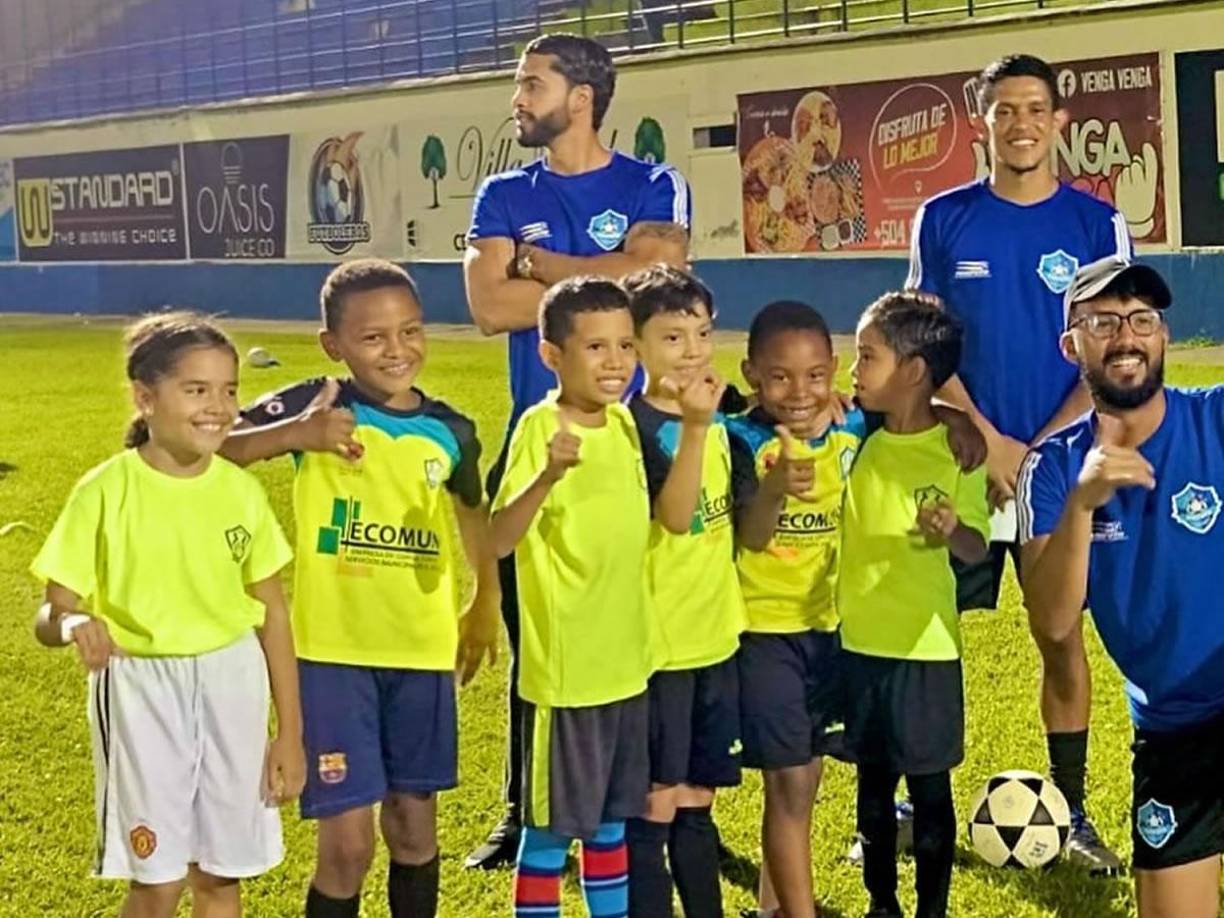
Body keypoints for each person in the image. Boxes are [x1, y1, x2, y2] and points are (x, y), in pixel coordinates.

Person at [464, 31, 693, 869]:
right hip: (543, 442)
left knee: (652, 627)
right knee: (542, 643)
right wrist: (603, 279)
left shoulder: (652, 180)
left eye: (531, 84)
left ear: (582, 97)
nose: (516, 99)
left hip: (634, 444)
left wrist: (541, 266)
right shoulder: (499, 190)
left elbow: (653, 278)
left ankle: (654, 800)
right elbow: (490, 306)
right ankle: (524, 808)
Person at [903, 52, 1132, 872]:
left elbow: (1110, 349)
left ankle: (1070, 816)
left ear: (1059, 121)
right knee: (928, 639)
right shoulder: (944, 218)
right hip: (964, 456)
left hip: (1054, 464)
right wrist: (988, 439)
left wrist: (1036, 451)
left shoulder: (1095, 224)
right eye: (1006, 111)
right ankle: (912, 805)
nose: (1022, 124)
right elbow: (922, 340)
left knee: (1059, 633)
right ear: (983, 122)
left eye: (1036, 109)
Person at [221, 259, 500, 918]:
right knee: (346, 847)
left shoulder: (451, 430)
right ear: (334, 346)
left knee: (412, 827)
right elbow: (213, 445)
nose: (397, 350)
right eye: (374, 338)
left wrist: (485, 600)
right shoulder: (319, 402)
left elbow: (472, 514)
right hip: (333, 657)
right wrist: (298, 436)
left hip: (420, 654)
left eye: (410, 331)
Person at [31, 312, 304, 918]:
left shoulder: (240, 491)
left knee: (221, 876)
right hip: (140, 689)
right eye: (197, 389)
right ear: (145, 398)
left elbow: (273, 616)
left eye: (229, 389)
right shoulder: (105, 492)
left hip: (233, 682)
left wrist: (290, 733)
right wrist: (74, 624)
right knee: (156, 882)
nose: (219, 407)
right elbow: (50, 613)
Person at [1019, 257, 1224, 918]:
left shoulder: (1215, 420)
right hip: (1172, 731)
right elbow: (1052, 622)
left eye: (1142, 319)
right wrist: (1084, 503)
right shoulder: (1051, 469)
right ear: (1070, 343)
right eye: (1103, 322)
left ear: (1164, 335)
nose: (1127, 337)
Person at [491, 277, 652, 918]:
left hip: (626, 669)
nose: (614, 362)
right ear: (551, 354)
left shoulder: (623, 425)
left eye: (625, 345)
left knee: (612, 824)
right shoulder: (540, 429)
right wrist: (547, 474)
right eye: (595, 347)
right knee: (553, 828)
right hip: (568, 676)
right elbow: (499, 537)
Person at [841, 291, 990, 918]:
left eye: (866, 356)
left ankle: (932, 910)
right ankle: (882, 905)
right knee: (871, 790)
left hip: (926, 649)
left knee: (930, 790)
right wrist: (950, 410)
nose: (853, 370)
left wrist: (951, 529)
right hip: (856, 642)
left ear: (913, 371)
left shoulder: (958, 452)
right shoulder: (856, 428)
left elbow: (979, 548)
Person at [726, 301, 866, 918]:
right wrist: (777, 487)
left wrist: (961, 425)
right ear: (752, 373)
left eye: (815, 375)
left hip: (827, 632)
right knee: (786, 782)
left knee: (805, 781)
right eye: (780, 376)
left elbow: (913, 413)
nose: (800, 391)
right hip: (763, 633)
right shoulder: (740, 440)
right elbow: (751, 538)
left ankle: (771, 906)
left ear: (835, 370)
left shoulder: (850, 430)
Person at [623, 265, 745, 917]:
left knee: (698, 802)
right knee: (655, 808)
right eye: (673, 337)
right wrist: (696, 428)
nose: (694, 349)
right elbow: (674, 517)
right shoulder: (630, 431)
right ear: (635, 346)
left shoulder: (722, 418)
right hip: (658, 652)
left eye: (702, 332)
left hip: (715, 641)